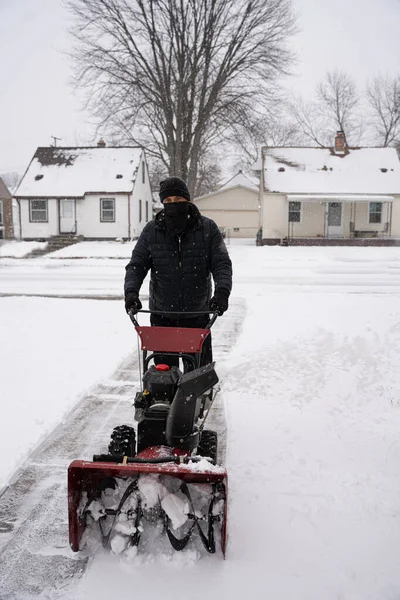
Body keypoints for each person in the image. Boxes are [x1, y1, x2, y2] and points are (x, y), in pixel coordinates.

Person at [124, 176, 232, 369]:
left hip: (197, 315)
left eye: (179, 201)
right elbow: (136, 265)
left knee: (197, 375)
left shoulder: (207, 229)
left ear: (188, 201)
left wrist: (222, 293)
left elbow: (221, 263)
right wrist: (131, 293)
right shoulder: (152, 231)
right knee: (164, 375)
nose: (173, 205)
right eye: (168, 201)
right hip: (162, 315)